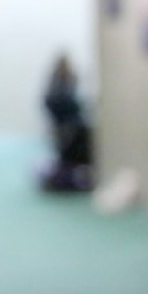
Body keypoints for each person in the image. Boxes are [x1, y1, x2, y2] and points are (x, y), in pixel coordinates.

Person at [40, 52, 94, 193]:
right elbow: (56, 103)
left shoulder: (66, 81)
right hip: (67, 129)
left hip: (68, 128)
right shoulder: (57, 85)